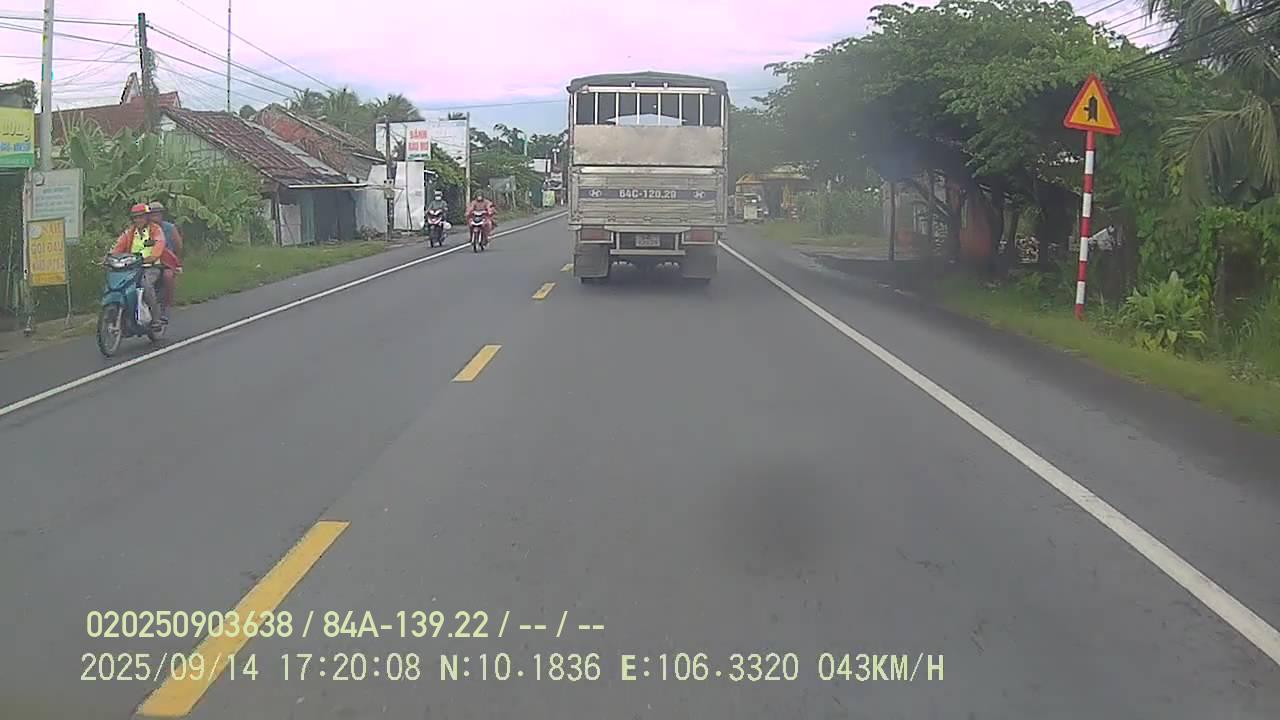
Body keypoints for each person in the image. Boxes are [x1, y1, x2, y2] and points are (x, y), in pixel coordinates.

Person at [110, 203, 169, 328]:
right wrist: (110, 257)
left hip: (151, 267)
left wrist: (151, 258)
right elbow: (118, 246)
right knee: (119, 285)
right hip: (131, 267)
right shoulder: (130, 232)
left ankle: (156, 318)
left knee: (145, 285)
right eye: (136, 217)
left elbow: (159, 245)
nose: (138, 220)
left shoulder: (155, 230)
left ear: (147, 217)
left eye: (141, 217)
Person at [147, 201, 183, 321]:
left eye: (157, 214)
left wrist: (175, 261)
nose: (155, 217)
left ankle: (167, 305)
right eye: (152, 214)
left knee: (168, 276)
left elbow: (178, 246)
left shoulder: (170, 228)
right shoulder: (145, 229)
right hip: (148, 261)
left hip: (166, 262)